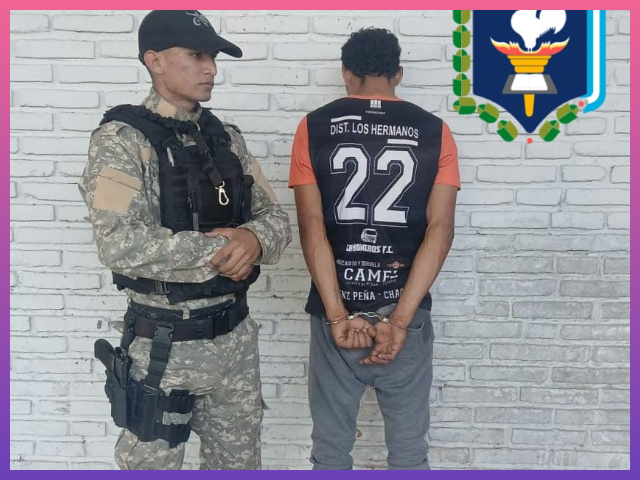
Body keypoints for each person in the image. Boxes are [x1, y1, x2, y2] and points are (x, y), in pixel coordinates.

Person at [79, 10, 291, 470]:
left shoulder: (225, 139)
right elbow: (118, 242)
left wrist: (253, 238)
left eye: (213, 57)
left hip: (235, 342)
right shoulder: (122, 140)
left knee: (240, 467)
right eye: (196, 55)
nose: (210, 68)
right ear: (154, 60)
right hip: (163, 348)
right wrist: (223, 250)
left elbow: (275, 219)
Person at [289, 28, 460, 470]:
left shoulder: (312, 127)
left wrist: (336, 316)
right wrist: (399, 320)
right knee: (409, 455)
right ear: (398, 74)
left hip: (336, 310)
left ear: (346, 73)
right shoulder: (436, 132)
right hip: (405, 310)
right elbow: (440, 230)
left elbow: (311, 228)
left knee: (330, 454)